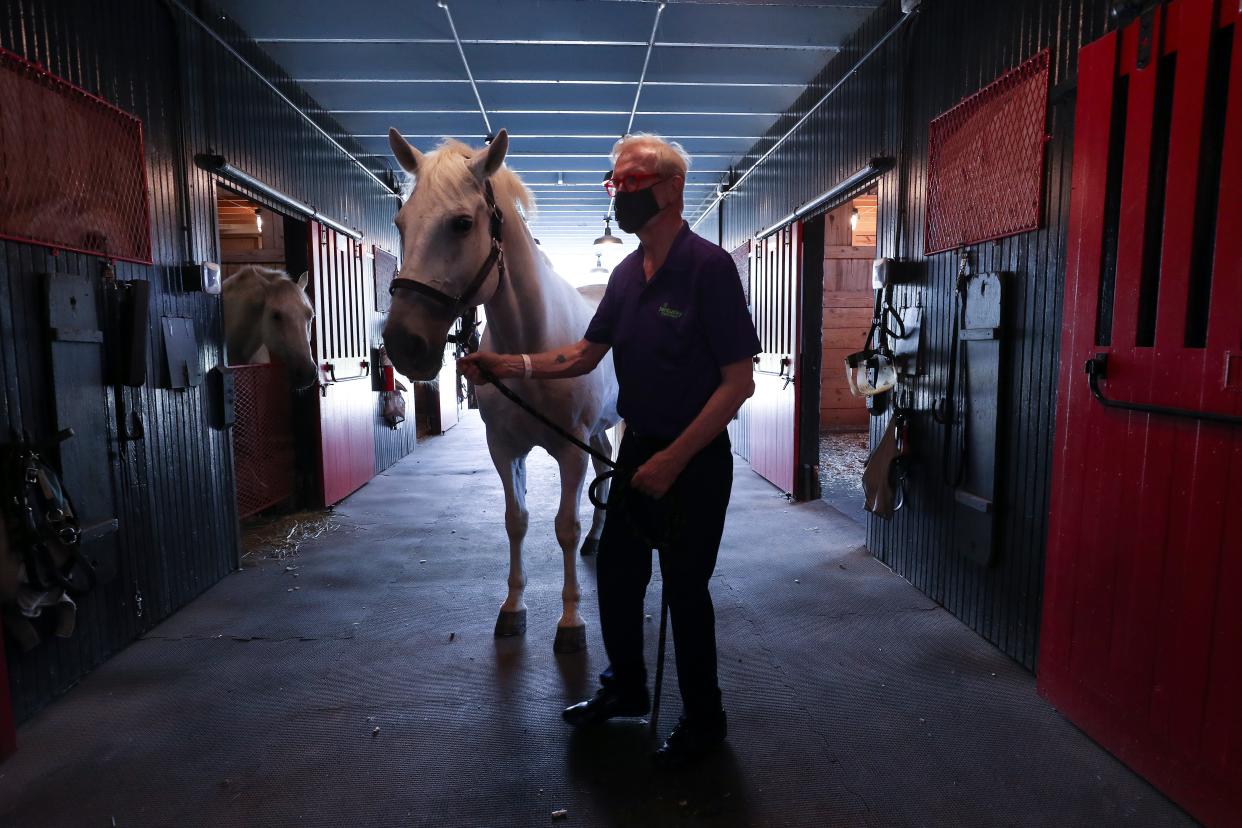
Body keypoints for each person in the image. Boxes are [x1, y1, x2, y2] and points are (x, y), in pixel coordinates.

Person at [458, 134, 759, 766]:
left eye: (631, 182)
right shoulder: (625, 276)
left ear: (671, 188)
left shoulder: (709, 269)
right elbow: (581, 355)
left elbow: (738, 383)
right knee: (618, 579)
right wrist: (503, 364)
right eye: (613, 183)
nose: (619, 194)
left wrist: (674, 461)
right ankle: (625, 690)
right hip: (638, 451)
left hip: (695, 459)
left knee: (685, 591)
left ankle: (706, 720)